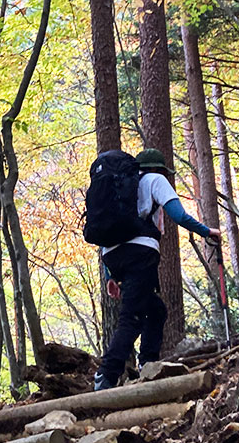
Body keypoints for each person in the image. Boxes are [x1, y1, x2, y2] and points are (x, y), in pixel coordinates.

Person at [94, 149, 221, 391]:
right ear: (158, 169)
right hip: (140, 254)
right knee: (131, 317)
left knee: (155, 310)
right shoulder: (155, 180)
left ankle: (148, 365)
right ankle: (106, 375)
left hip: (113, 256)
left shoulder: (116, 190)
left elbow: (105, 232)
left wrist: (110, 275)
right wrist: (207, 232)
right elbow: (178, 215)